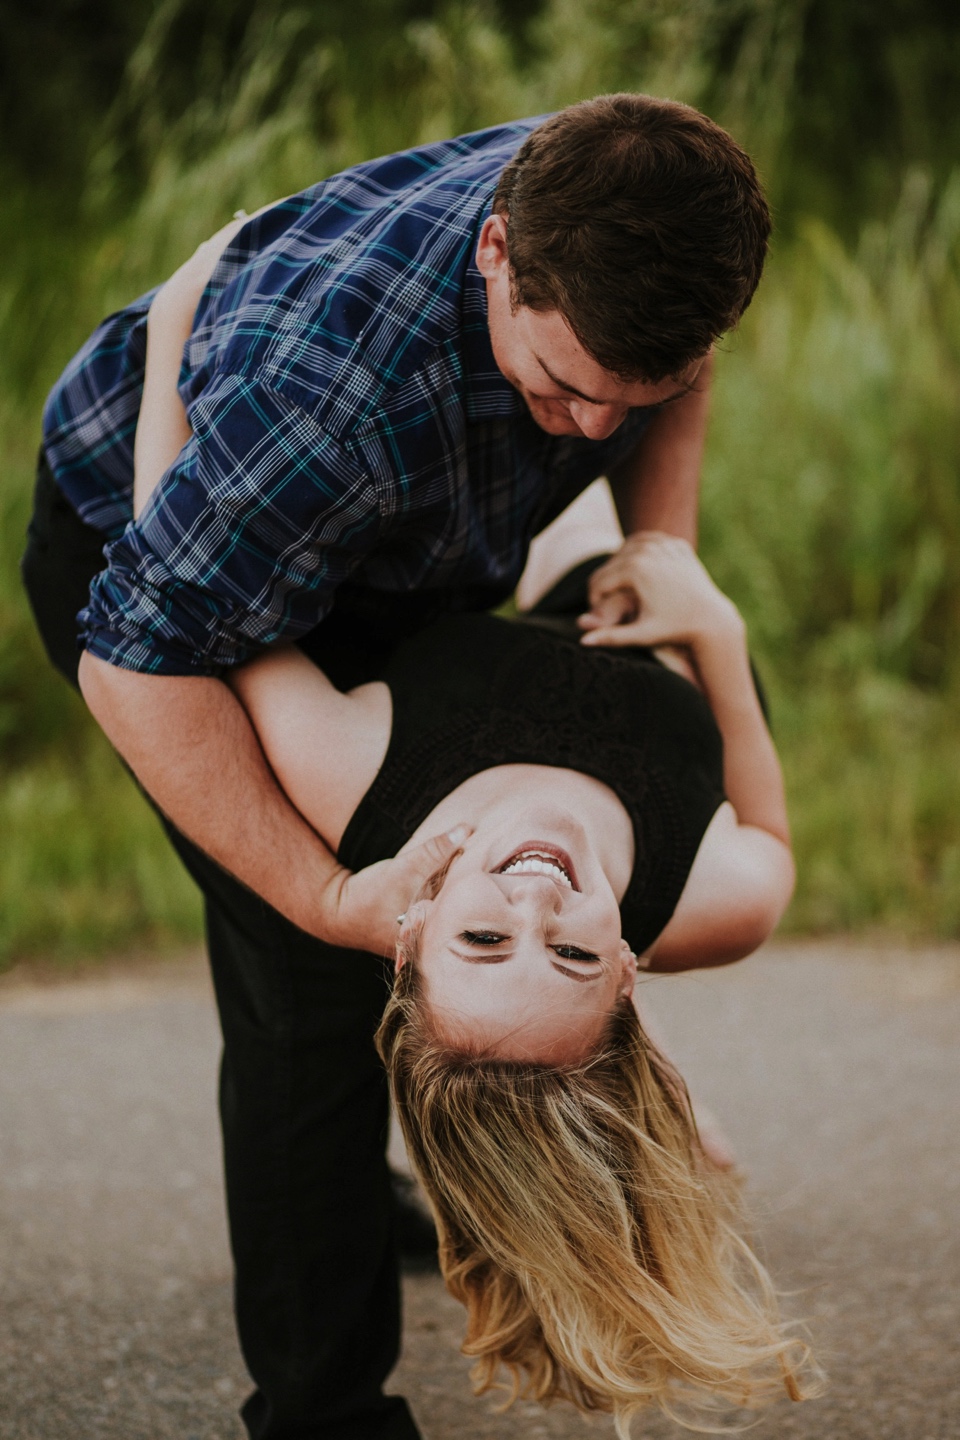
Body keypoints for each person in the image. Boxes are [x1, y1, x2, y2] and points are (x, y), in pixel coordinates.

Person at [24, 94, 774, 1438]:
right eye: (560, 389)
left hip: (394, 554)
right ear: (496, 253)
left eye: (633, 395)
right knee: (310, 977)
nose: (595, 430)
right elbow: (137, 656)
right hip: (173, 580)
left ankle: (393, 1176)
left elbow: (654, 382)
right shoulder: (326, 403)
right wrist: (323, 896)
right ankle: (323, 1407)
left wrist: (656, 563)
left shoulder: (652, 207)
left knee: (429, 915)